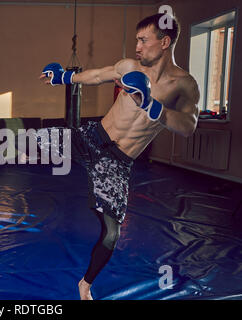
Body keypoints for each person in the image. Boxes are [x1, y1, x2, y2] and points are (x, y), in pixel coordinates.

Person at [39, 13, 200, 300]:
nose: (137, 47)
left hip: (117, 163)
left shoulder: (184, 85)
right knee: (26, 142)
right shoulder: (129, 66)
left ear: (164, 42)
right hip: (92, 138)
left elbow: (188, 126)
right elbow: (98, 75)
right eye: (136, 40)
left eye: (142, 40)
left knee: (111, 234)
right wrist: (64, 76)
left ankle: (85, 285)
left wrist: (151, 106)